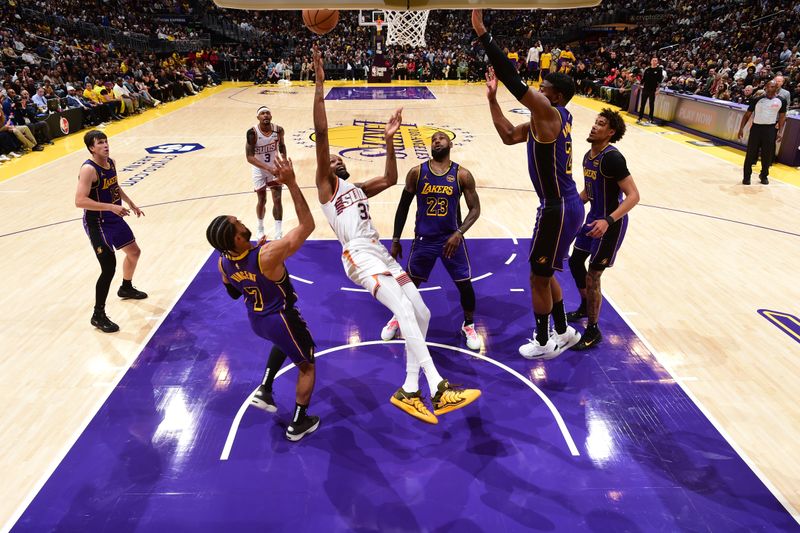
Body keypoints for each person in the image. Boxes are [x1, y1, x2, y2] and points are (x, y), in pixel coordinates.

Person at [311, 45, 480, 425]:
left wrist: (389, 138)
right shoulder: (327, 188)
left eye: (340, 159)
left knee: (421, 311)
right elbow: (322, 133)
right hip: (357, 255)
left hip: (382, 254)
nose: (336, 160)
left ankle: (408, 387)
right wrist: (320, 85)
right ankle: (438, 387)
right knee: (403, 311)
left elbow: (389, 178)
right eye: (332, 159)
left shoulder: (355, 189)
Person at [472, 10, 583, 360]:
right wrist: (491, 100)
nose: (538, 90)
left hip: (558, 205)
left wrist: (483, 34)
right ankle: (564, 331)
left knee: (537, 275)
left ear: (556, 96)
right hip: (562, 205)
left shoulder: (548, 114)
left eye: (544, 88)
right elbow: (507, 135)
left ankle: (543, 340)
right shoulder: (545, 121)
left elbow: (513, 79)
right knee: (545, 269)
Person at [206, 156, 319, 442]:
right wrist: (292, 183)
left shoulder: (223, 262)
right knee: (306, 365)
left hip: (256, 319)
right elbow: (307, 225)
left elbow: (233, 292)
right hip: (280, 316)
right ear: (238, 240)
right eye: (239, 224)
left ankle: (266, 388)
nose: (243, 222)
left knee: (283, 344)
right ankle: (298, 423)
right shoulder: (266, 255)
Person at [380, 131, 482, 351]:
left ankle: (469, 325)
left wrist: (459, 233)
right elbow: (403, 207)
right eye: (433, 139)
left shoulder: (462, 174)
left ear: (450, 144)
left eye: (441, 138)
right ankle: (398, 317)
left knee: (465, 285)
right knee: (409, 284)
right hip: (424, 239)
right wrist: (396, 239)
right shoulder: (417, 172)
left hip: (451, 240)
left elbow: (476, 209)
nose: (437, 141)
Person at [566, 109, 640, 349]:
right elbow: (589, 191)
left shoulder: (612, 158)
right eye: (595, 122)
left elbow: (633, 196)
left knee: (593, 274)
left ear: (611, 132)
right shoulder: (589, 156)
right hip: (593, 218)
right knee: (576, 261)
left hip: (611, 223)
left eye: (601, 124)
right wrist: (569, 207)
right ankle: (585, 307)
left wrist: (608, 220)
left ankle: (593, 330)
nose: (594, 127)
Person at [74, 130, 147, 333]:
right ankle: (98, 315)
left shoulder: (111, 162)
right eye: (100, 143)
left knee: (134, 252)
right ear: (91, 147)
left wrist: (130, 203)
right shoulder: (89, 170)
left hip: (114, 216)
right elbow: (79, 201)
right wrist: (111, 206)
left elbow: (115, 186)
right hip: (97, 222)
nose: (105, 145)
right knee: (108, 267)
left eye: (106, 141)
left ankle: (126, 287)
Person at [245, 106, 285, 240]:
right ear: (258, 117)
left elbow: (282, 146)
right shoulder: (252, 132)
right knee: (262, 199)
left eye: (268, 113)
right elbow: (249, 157)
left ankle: (278, 232)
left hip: (274, 167)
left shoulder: (278, 130)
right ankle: (260, 227)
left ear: (271, 116)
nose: (265, 115)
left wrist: (283, 161)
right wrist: (268, 169)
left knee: (277, 199)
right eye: (262, 113)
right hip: (259, 169)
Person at [737, 79, 786, 185]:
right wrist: (741, 129)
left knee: (767, 155)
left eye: (772, 87)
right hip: (756, 129)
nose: (769, 89)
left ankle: (764, 175)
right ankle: (747, 177)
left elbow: (782, 117)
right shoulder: (757, 99)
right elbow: (747, 115)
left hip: (770, 129)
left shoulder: (781, 100)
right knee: (750, 153)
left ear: (776, 88)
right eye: (768, 86)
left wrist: (780, 132)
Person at [637, 57, 665, 124]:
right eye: (653, 60)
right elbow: (643, 79)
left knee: (651, 105)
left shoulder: (659, 70)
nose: (654, 61)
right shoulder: (647, 69)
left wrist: (658, 90)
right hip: (645, 89)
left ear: (657, 62)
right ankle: (640, 118)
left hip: (653, 90)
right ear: (651, 61)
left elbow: (659, 81)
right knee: (642, 104)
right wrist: (639, 86)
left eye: (656, 60)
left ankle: (650, 119)